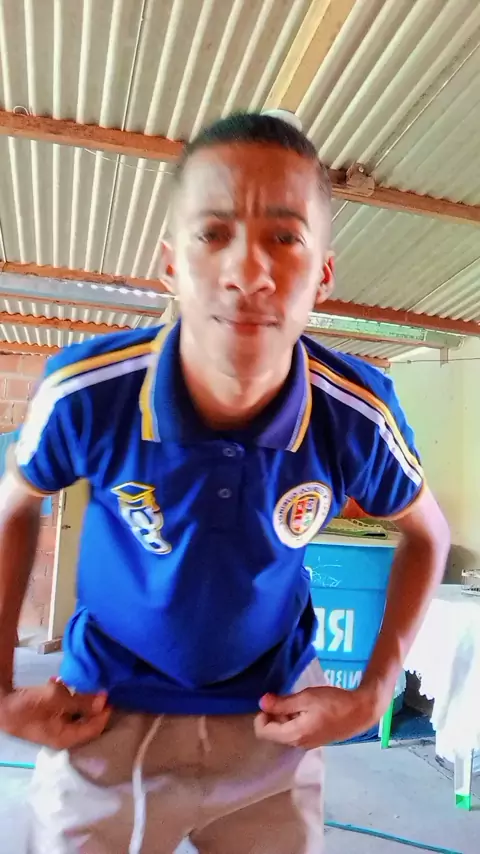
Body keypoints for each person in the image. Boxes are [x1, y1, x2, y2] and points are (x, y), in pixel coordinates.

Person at [0, 112, 449, 854]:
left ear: (324, 274)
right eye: (213, 234)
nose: (249, 272)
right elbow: (14, 505)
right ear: (171, 265)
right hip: (102, 715)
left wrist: (375, 691)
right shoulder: (87, 391)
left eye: (286, 237)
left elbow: (427, 533)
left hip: (272, 720)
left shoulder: (356, 414)